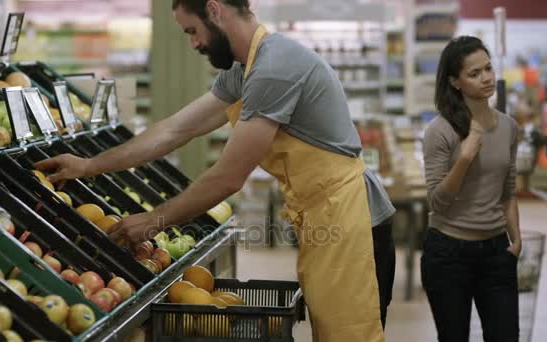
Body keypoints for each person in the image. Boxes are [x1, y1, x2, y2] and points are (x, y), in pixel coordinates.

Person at [35, 1, 395, 340]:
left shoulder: (275, 68)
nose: (194, 44)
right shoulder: (246, 69)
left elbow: (228, 177)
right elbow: (175, 129)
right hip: (327, 216)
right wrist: (90, 165)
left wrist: (153, 221)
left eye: (193, 31)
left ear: (214, 10)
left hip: (353, 221)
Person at [422, 36, 521, 342]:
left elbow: (507, 191)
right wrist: (464, 158)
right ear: (455, 82)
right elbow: (437, 202)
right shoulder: (440, 131)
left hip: (496, 252)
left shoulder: (508, 127)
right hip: (448, 254)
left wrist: (515, 242)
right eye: (474, 73)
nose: (487, 78)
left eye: (488, 68)